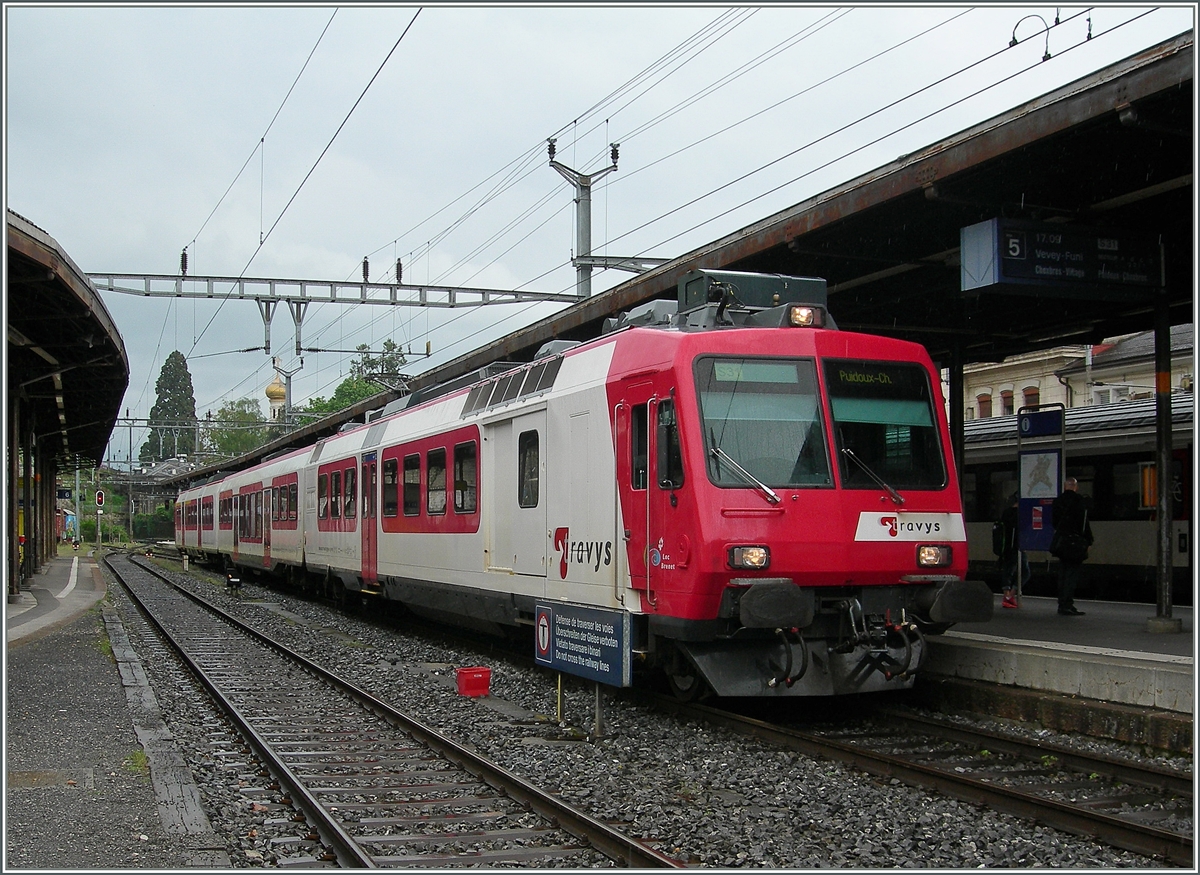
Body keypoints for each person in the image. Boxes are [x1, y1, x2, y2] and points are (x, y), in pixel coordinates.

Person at [1051, 476, 1093, 615]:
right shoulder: (1079, 501)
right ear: (1076, 487)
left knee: (1063, 573)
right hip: (1075, 542)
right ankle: (1067, 604)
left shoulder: (1057, 501)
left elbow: (1054, 522)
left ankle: (1062, 603)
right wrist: (1089, 540)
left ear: (1065, 487)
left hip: (1062, 542)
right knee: (1072, 574)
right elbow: (1084, 523)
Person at [996, 493, 1028, 609]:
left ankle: (1008, 596)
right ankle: (1009, 596)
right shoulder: (1021, 514)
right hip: (1017, 546)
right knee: (1025, 572)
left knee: (1008, 571)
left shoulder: (1006, 513)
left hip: (1006, 547)